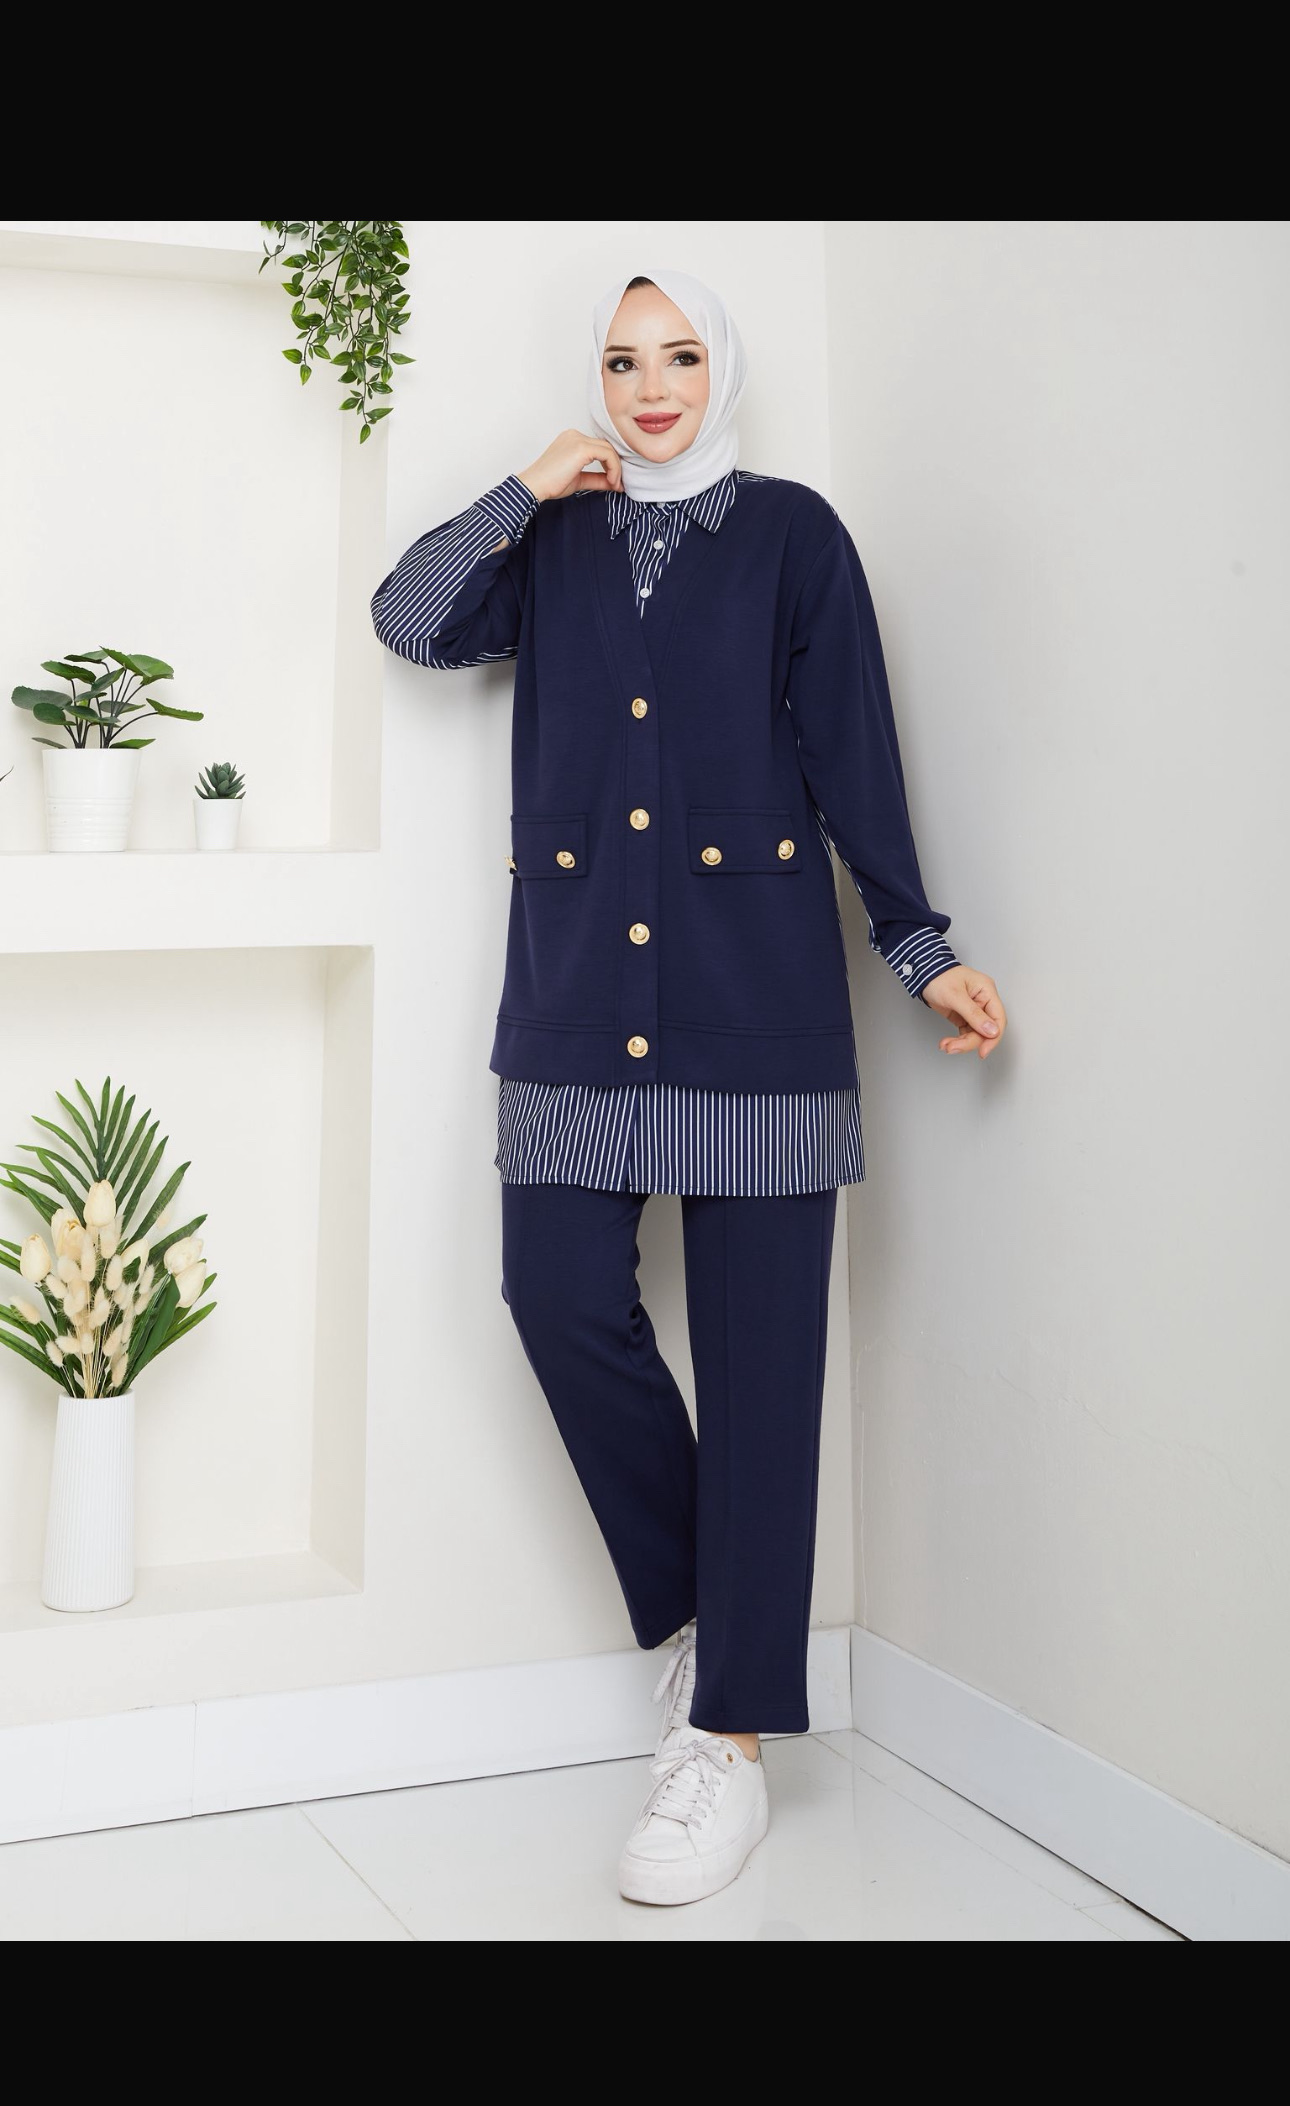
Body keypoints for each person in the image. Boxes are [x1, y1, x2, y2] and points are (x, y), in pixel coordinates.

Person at [372, 269, 1006, 1908]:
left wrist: (917, 943)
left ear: (721, 368)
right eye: (619, 360)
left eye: (677, 357)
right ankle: (710, 1626)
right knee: (553, 1292)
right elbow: (409, 618)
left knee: (764, 1371)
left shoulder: (794, 534)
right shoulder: (553, 540)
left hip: (757, 1002)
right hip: (577, 997)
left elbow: (851, 748)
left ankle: (725, 1740)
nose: (650, 387)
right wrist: (523, 484)